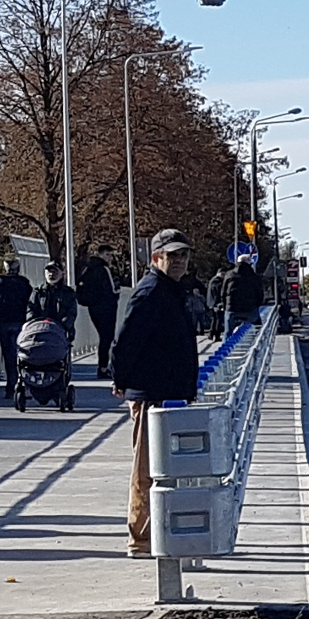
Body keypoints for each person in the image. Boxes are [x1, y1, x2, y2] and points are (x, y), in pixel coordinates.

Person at [111, 230, 201, 558]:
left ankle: (161, 534)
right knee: (148, 469)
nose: (179, 261)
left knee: (167, 468)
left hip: (171, 392)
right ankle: (141, 539)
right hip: (152, 394)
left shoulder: (172, 290)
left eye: (183, 255)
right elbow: (125, 340)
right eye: (171, 255)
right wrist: (121, 380)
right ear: (155, 258)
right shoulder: (150, 292)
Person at [0, 257, 32, 400]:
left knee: (8, 355)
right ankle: (22, 384)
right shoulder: (24, 283)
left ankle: (11, 386)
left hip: (3, 324)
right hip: (21, 323)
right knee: (22, 355)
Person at [75, 250, 120, 378]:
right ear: (100, 254)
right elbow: (112, 289)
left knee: (103, 337)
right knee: (107, 337)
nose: (110, 258)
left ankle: (103, 367)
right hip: (106, 308)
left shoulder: (88, 269)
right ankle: (103, 367)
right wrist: (117, 292)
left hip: (93, 307)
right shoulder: (104, 269)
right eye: (107, 254)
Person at [226, 254, 266, 326]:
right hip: (250, 309)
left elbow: (223, 292)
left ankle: (227, 333)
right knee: (256, 326)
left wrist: (226, 306)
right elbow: (259, 293)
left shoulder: (229, 275)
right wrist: (257, 305)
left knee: (228, 329)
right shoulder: (253, 276)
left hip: (232, 309)